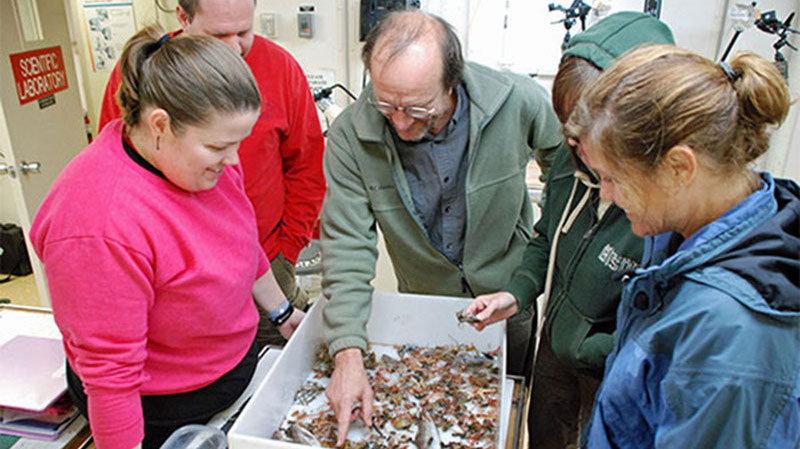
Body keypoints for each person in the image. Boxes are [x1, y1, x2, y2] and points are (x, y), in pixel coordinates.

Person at [31, 27, 304, 449]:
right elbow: (111, 380)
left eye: (236, 144)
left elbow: (241, 242)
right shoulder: (98, 226)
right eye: (219, 147)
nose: (232, 160)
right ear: (161, 124)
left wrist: (283, 313)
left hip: (230, 373)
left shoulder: (202, 161)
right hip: (160, 409)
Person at [320, 10, 566, 445]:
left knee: (505, 420)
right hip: (424, 309)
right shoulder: (348, 138)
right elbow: (347, 244)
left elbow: (567, 179)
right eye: (386, 105)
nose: (400, 122)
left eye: (417, 108)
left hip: (510, 304)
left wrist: (537, 261)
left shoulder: (518, 101)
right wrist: (347, 353)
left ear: (452, 80)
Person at [563, 45, 800, 447]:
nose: (606, 194)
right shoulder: (683, 237)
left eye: (612, 177)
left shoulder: (731, 335)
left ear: (679, 168)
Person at [464, 12, 674, 449]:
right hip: (555, 350)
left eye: (585, 138)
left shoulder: (665, 203)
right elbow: (547, 236)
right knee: (545, 434)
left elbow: (670, 328)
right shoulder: (568, 158)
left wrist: (588, 348)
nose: (573, 149)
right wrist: (518, 292)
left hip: (614, 370)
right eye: (567, 133)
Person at [98, 0, 325, 347]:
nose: (235, 48)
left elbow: (308, 167)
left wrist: (286, 250)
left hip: (265, 257)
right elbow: (117, 172)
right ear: (183, 17)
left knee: (274, 360)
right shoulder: (146, 71)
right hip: (177, 275)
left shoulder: (281, 69)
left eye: (244, 32)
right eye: (219, 34)